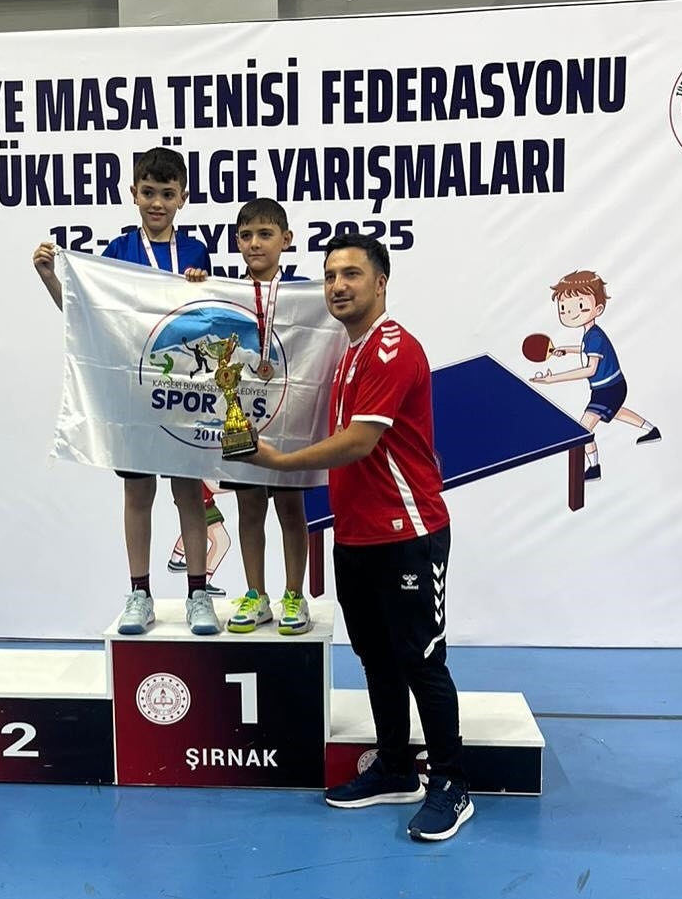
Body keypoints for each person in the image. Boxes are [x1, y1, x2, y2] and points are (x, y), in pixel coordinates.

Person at [244, 231, 473, 843]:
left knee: (422, 660)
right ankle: (396, 767)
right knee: (376, 657)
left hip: (408, 532)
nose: (338, 286)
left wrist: (279, 464)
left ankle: (452, 783)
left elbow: (360, 442)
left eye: (351, 274)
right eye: (330, 276)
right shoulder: (348, 353)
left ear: (381, 282)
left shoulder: (393, 349)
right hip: (357, 537)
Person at [33, 146, 220, 636]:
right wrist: (51, 278)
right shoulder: (117, 253)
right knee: (137, 493)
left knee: (189, 493)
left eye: (167, 194)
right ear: (133, 193)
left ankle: (198, 593)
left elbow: (209, 320)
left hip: (181, 391)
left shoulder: (196, 253)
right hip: (133, 393)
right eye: (149, 192)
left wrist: (202, 285)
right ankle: (140, 593)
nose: (157, 202)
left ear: (183, 198)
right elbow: (84, 318)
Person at [220, 199, 312, 637]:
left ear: (286, 240)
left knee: (292, 509)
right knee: (249, 507)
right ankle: (256, 594)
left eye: (265, 234)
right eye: (246, 236)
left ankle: (295, 594)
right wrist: (195, 284)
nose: (255, 243)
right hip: (243, 415)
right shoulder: (223, 292)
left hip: (291, 417)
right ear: (236, 242)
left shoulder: (306, 294)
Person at [530, 269, 660, 482]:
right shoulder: (591, 335)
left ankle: (594, 468)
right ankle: (652, 430)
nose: (569, 312)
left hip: (608, 389)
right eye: (563, 308)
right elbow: (585, 349)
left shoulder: (595, 337)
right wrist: (565, 350)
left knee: (582, 430)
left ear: (598, 308)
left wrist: (554, 379)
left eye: (579, 306)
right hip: (612, 386)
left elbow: (590, 369)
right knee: (617, 413)